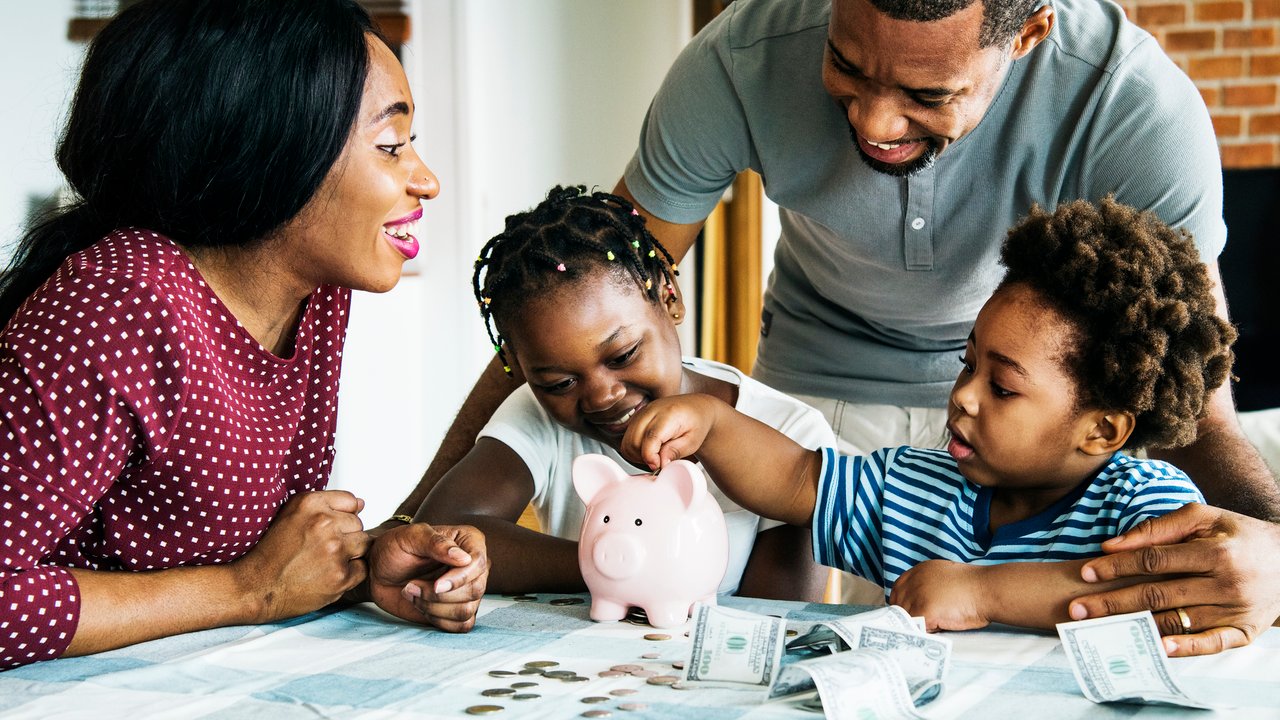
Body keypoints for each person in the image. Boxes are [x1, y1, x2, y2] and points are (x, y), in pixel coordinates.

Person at [379, 0, 1280, 655]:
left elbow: (1195, 406)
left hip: (1029, 405)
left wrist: (1277, 561)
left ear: (1031, 30)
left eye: (928, 92)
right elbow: (589, 298)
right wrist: (414, 522)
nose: (876, 123)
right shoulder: (740, 55)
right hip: (814, 393)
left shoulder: (1135, 109)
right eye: (848, 68)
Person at [0, 0, 487, 671]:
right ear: (271, 149)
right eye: (391, 146)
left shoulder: (317, 298)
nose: (425, 179)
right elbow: (247, 583)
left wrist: (366, 564)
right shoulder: (118, 303)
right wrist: (247, 592)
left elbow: (263, 565)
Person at [622, 198, 1234, 643]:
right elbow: (797, 480)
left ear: (1101, 431)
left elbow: (1152, 596)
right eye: (968, 366)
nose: (964, 396)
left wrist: (980, 591)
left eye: (1002, 387)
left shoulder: (1147, 506)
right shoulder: (915, 487)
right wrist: (712, 424)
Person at [413, 185, 834, 600]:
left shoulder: (790, 431)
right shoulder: (536, 412)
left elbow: (777, 617)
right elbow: (441, 531)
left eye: (623, 354)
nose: (601, 396)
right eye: (559, 383)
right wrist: (606, 563)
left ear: (669, 296)